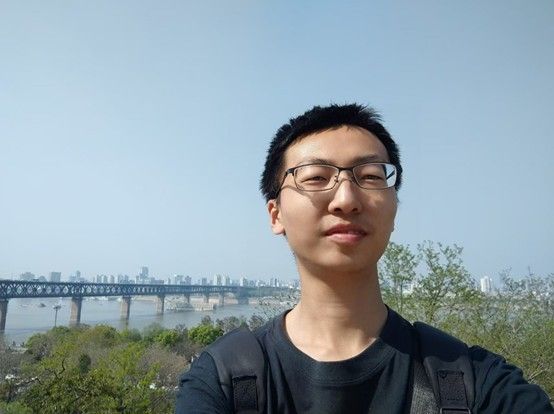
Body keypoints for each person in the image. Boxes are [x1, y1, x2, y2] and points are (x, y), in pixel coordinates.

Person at [176, 103, 553, 413]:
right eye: (315, 177)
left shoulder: (475, 381)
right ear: (276, 215)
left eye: (371, 176)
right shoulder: (222, 381)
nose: (346, 199)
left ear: (394, 208)